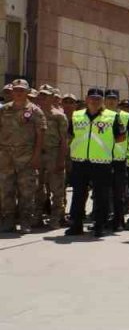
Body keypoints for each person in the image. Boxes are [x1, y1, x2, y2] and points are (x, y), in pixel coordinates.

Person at [65, 88, 122, 237]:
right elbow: (70, 135)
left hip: (101, 162)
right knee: (78, 194)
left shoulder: (112, 117)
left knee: (101, 196)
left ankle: (99, 225)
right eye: (92, 98)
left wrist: (105, 145)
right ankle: (76, 225)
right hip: (80, 161)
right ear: (86, 99)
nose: (94, 101)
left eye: (98, 99)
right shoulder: (76, 116)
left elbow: (121, 136)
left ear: (102, 101)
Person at [0, 79, 47, 233]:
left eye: (21, 90)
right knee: (6, 189)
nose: (18, 93)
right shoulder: (4, 109)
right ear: (12, 92)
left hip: (27, 157)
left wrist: (36, 156)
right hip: (6, 156)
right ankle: (8, 220)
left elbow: (40, 135)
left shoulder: (35, 111)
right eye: (16, 90)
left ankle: (26, 220)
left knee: (27, 190)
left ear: (27, 92)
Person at [35, 85, 69, 229]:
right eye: (40, 95)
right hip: (37, 153)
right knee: (37, 187)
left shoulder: (59, 116)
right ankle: (36, 217)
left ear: (51, 98)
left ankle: (56, 218)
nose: (42, 98)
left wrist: (61, 159)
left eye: (45, 96)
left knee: (57, 188)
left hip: (54, 153)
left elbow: (64, 140)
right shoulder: (33, 114)